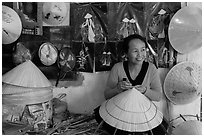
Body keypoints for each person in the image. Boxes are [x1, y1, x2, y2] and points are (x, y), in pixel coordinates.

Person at [94, 34, 168, 135]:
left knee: (162, 129)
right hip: (121, 113)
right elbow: (107, 95)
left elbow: (158, 96)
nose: (140, 55)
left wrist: (145, 90)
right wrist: (118, 89)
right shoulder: (118, 68)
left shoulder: (151, 68)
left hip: (142, 114)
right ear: (126, 53)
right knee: (101, 118)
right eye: (135, 51)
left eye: (143, 50)